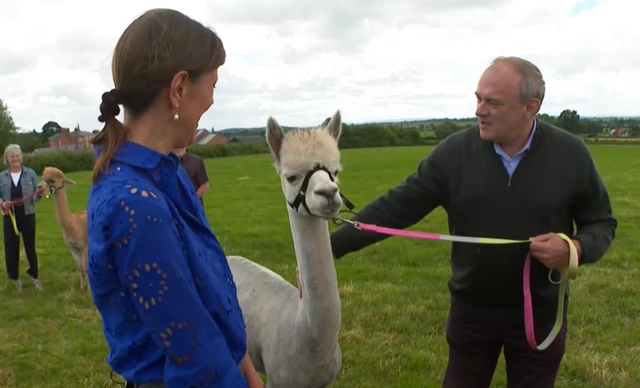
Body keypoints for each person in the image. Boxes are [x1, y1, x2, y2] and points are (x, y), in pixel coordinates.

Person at [330, 56, 617, 388]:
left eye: (493, 102)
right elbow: (398, 206)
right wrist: (330, 248)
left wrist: (575, 248)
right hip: (472, 311)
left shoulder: (570, 154)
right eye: (478, 98)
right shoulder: (455, 153)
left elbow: (601, 222)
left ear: (530, 107)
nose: (479, 109)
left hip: (539, 313)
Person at [86, 8, 262, 388]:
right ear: (179, 88)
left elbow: (206, 292)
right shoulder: (136, 204)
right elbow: (194, 358)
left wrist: (245, 365)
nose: (213, 101)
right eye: (213, 85)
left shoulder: (166, 174)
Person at [0, 144, 44, 292]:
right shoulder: (2, 177)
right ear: (7, 159)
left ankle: (35, 276)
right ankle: (15, 278)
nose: (15, 158)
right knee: (11, 247)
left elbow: (37, 195)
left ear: (21, 157)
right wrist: (2, 203)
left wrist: (39, 194)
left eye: (17, 155)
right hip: (10, 216)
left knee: (30, 246)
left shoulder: (30, 173)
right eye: (12, 156)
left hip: (28, 214)